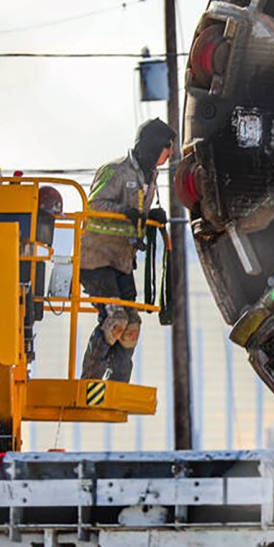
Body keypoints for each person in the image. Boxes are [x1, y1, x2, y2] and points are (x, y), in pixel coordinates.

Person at [79, 118, 174, 382]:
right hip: (95, 260)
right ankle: (90, 380)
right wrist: (125, 213)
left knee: (132, 325)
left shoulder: (149, 177)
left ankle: (117, 382)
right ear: (153, 147)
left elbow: (137, 215)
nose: (165, 160)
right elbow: (94, 206)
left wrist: (150, 216)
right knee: (115, 319)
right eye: (165, 152)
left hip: (121, 262)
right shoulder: (116, 170)